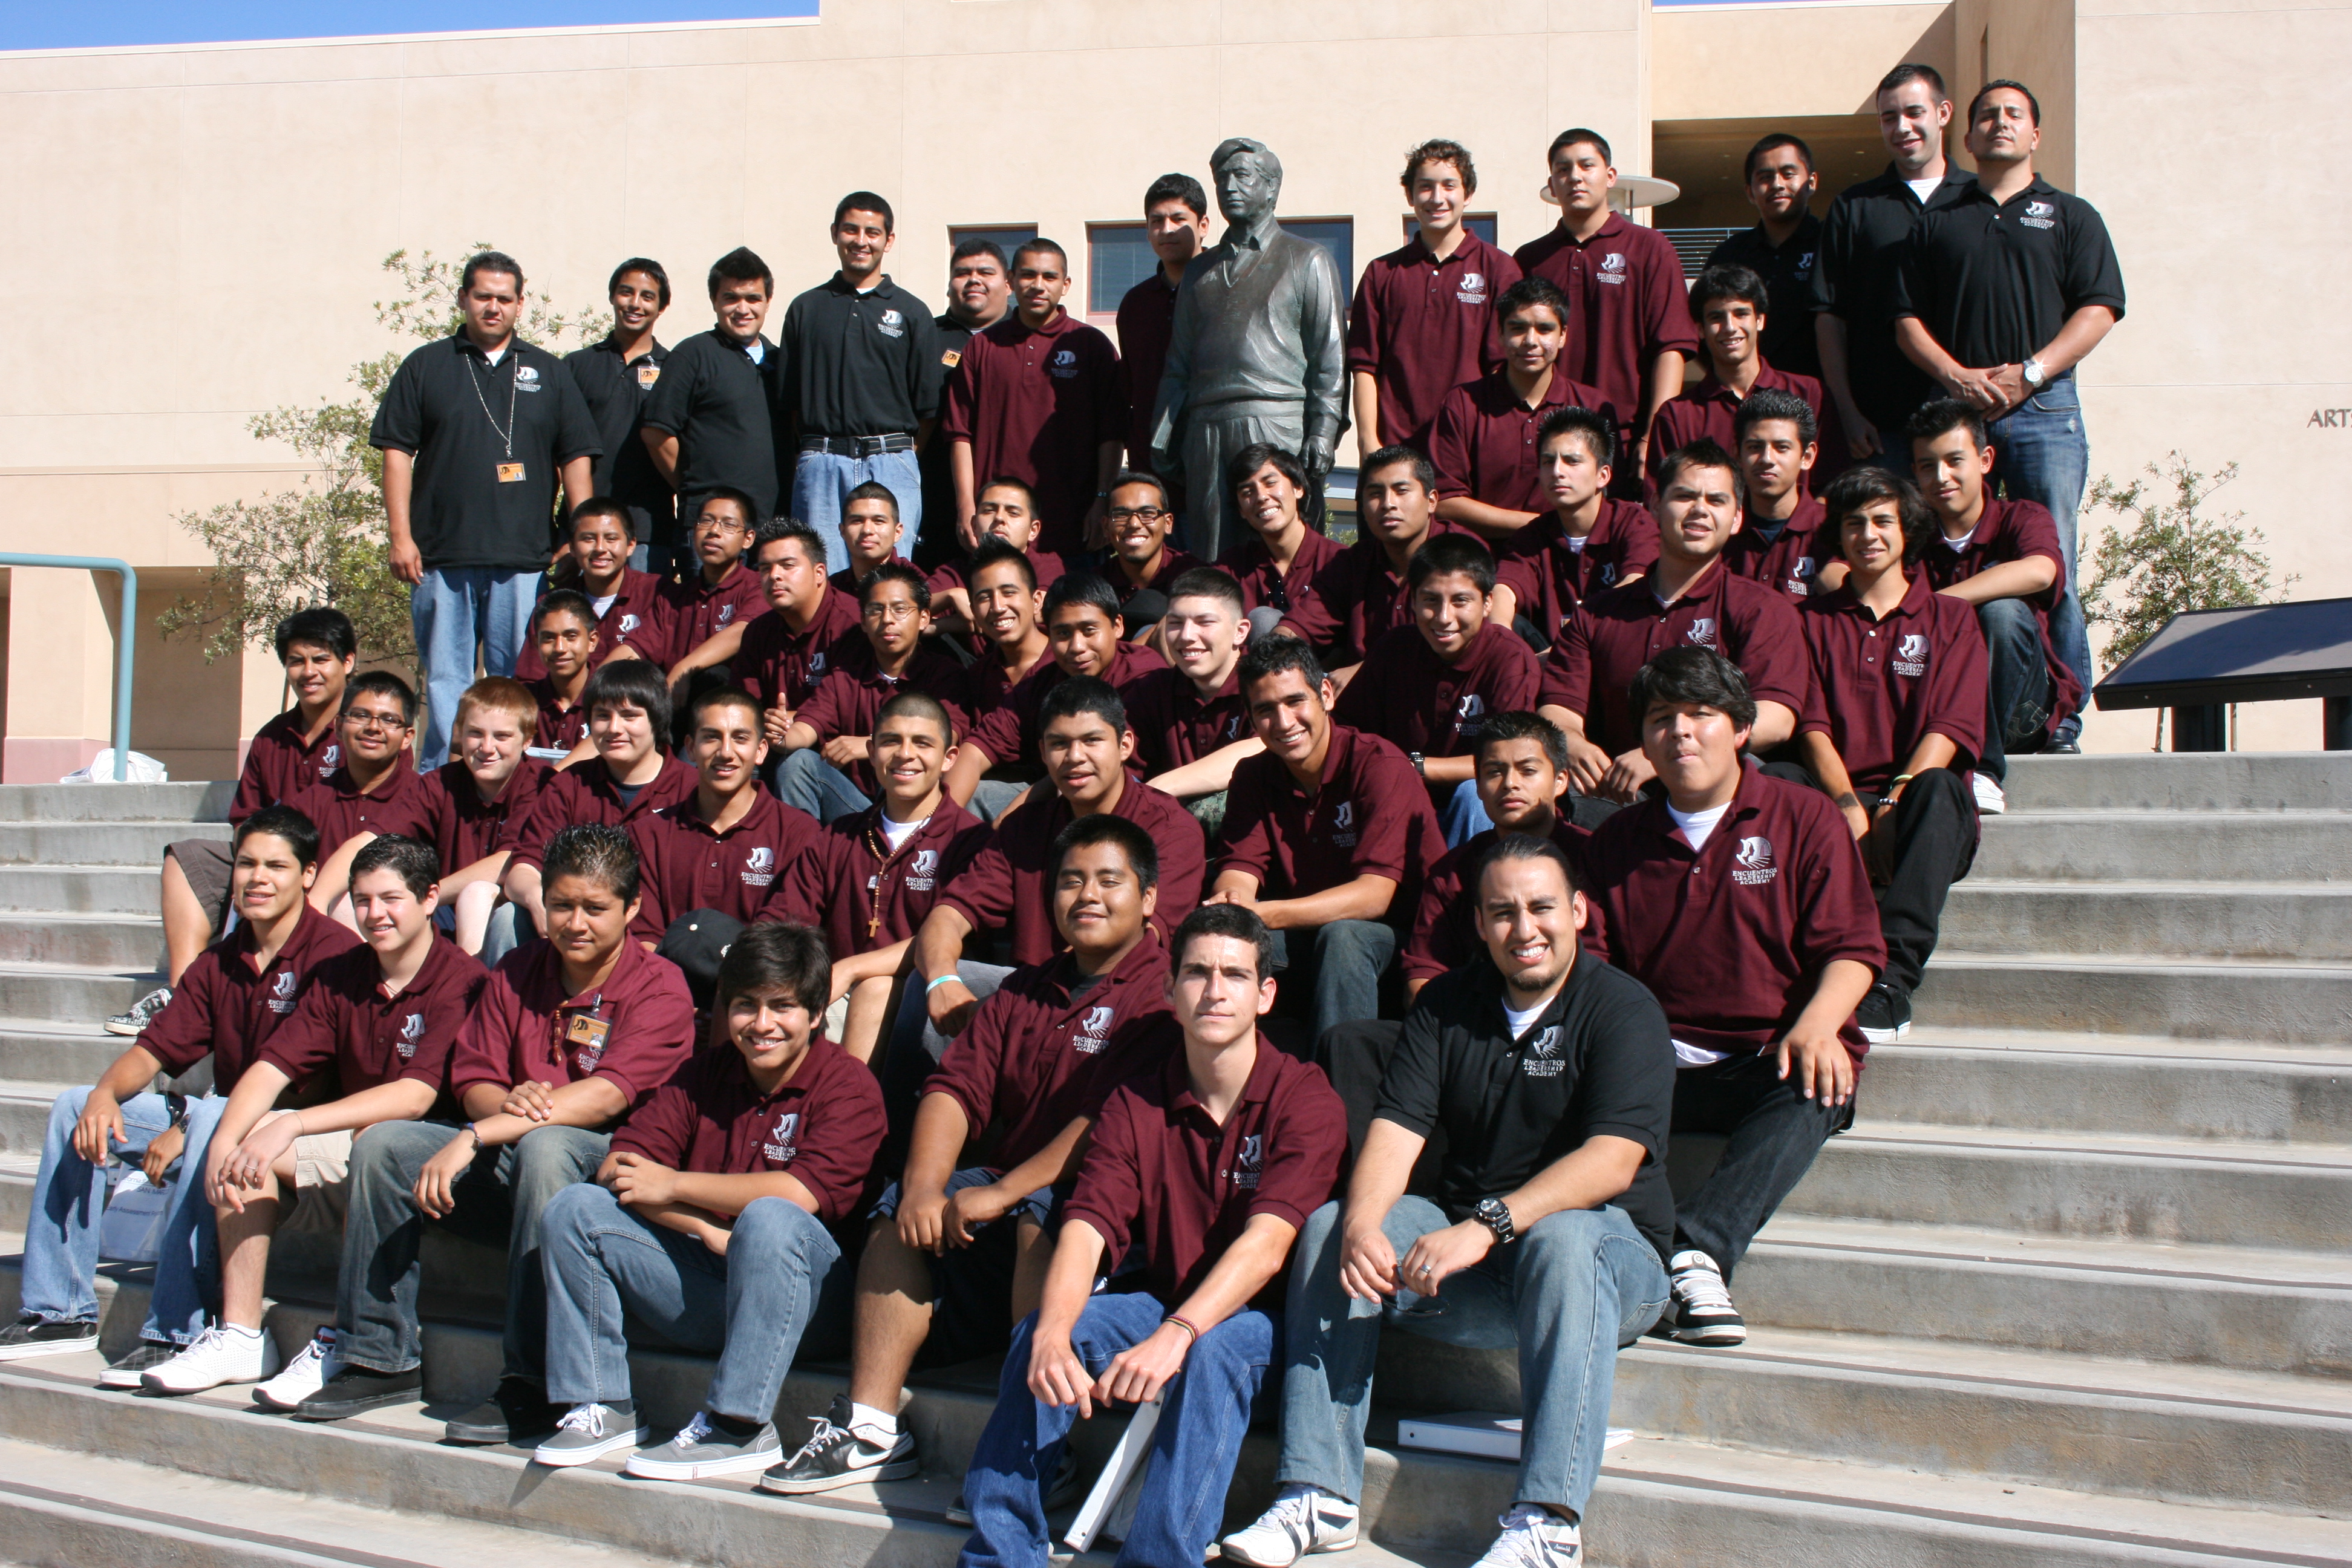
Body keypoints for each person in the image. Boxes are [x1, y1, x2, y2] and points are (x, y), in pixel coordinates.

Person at [1223, 835, 1671, 1568]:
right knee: (1333, 1226)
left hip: (1609, 1268)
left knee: (1564, 1237)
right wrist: (1364, 1225)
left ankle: (1548, 1522)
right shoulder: (1447, 1005)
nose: (1524, 928)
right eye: (1503, 912)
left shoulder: (1623, 1008)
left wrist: (1488, 1224)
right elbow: (1396, 1130)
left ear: (1579, 912)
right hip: (1481, 1269)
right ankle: (1318, 1494)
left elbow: (1612, 1160)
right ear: (1480, 924)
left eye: (1541, 907)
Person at [763, 816, 1177, 1500]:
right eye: (1071, 881)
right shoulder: (1023, 990)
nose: (1087, 895)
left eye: (1109, 881)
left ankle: (1034, 1448)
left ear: (1149, 897)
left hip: (1109, 1210)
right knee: (895, 1212)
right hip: (1005, 1192)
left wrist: (1006, 1190)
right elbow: (954, 1089)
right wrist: (925, 1187)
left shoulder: (1162, 998)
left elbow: (1105, 1122)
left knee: (1040, 1215)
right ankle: (870, 1425)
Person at [953, 902, 1345, 1568]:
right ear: (1169, 989)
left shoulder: (1304, 1097)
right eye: (1197, 973)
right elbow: (1087, 1225)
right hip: (1162, 1303)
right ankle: (999, 1553)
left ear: (1266, 995)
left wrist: (1179, 1333)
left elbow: (1267, 1245)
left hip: (1272, 1329)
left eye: (1235, 975)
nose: (1215, 991)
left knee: (1218, 1348)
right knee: (1044, 1331)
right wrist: (1051, 1332)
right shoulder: (1136, 1101)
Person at [296, 824, 696, 1432]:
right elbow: (473, 1077)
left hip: (612, 1179)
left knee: (548, 1145)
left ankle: (537, 1380)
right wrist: (504, 1101)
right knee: (383, 1144)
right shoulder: (516, 969)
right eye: (561, 906)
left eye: (595, 909)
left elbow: (606, 1098)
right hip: (516, 1157)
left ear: (632, 908)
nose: (575, 923)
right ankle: (377, 1355)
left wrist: (480, 1132)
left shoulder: (659, 984)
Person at [1583, 647, 1883, 1347]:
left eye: (1701, 714)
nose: (1680, 733)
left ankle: (1696, 1250)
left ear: (1742, 728)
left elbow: (1854, 947)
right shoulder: (1616, 841)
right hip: (1656, 1063)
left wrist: (1818, 1024)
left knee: (1822, 1081)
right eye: (1661, 718)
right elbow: (1593, 967)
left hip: (1765, 1056)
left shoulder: (1805, 818)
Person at [0, 808, 358, 1386]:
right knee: (74, 1107)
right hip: (221, 1116)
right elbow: (154, 1050)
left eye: (276, 866)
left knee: (212, 1113)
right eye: (246, 864)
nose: (258, 878)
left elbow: (294, 1079)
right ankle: (59, 1310)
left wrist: (191, 1123)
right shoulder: (222, 959)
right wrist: (104, 1094)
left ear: (309, 875)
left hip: (299, 1134)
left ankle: (180, 1329)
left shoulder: (337, 957)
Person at [526, 922, 885, 1478]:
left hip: (809, 1308)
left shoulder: (849, 1086)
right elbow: (620, 1167)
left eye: (783, 1007)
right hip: (707, 1282)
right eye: (746, 1005)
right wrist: (706, 1229)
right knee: (574, 1209)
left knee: (770, 1217)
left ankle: (739, 1427)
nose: (762, 1024)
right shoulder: (703, 1075)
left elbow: (798, 1193)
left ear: (816, 1014)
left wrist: (673, 1185)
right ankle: (603, 1405)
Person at [159, 835, 486, 1405]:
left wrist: (294, 1124)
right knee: (246, 1146)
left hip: (435, 1159)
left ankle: (342, 1335)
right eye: (362, 901)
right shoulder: (343, 973)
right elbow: (272, 1066)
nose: (375, 914)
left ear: (430, 898)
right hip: (357, 1145)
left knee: (373, 1143)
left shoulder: (462, 979)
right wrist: (224, 1140)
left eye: (391, 899)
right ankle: (240, 1336)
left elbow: (415, 1096)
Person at [1892, 79, 2123, 753]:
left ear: (2035, 133)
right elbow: (1904, 319)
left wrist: (2032, 372)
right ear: (1965, 137)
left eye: (2014, 114)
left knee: (2055, 562)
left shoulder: (2071, 215)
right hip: (1955, 416)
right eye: (1987, 115)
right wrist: (1955, 377)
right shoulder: (1938, 220)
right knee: (1934, 557)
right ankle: (1947, 716)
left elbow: (2100, 308)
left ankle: (2062, 721)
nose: (2000, 123)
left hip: (2045, 409)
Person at [372, 249, 600, 769]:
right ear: (463, 299)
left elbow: (576, 458)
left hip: (524, 559)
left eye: (504, 298)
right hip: (440, 557)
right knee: (447, 680)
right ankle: (441, 784)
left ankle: (517, 783)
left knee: (518, 681)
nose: (493, 307)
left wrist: (580, 537)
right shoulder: (426, 365)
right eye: (483, 297)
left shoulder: (549, 371)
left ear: (520, 304)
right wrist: (400, 536)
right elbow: (396, 453)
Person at [1792, 466, 1987, 1042]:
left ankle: (1890, 980)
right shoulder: (1806, 623)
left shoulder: (1953, 618)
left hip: (1917, 810)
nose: (1868, 534)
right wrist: (1849, 805)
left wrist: (1893, 801)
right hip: (1837, 803)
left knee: (1942, 789)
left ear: (1908, 531)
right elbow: (1810, 724)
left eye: (1883, 521)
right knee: (1775, 780)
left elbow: (1950, 726)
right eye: (1854, 523)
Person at [1536, 440, 1809, 811]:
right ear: (1654, 506)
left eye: (1716, 500)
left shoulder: (1763, 610)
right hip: (1614, 794)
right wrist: (1573, 743)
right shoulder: (1597, 614)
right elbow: (1559, 707)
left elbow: (1775, 718)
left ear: (1737, 519)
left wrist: (1665, 751)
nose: (1700, 509)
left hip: (1717, 794)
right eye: (1684, 496)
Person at [126, 607, 355, 1034]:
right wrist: (255, 864)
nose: (308, 672)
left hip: (334, 871)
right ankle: (185, 995)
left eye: (321, 659)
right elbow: (244, 819)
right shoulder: (271, 738)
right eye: (296, 661)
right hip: (271, 862)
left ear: (348, 662)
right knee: (187, 857)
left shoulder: (363, 731)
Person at [1211, 638, 1442, 1045]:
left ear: (1326, 695)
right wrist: (1234, 904)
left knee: (1344, 937)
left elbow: (1373, 898)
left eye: (1295, 701)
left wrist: (1262, 913)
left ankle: (1337, 1078)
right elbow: (1239, 869)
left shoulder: (1380, 766)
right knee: (1224, 939)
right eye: (1265, 710)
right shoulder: (1253, 775)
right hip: (1307, 939)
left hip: (1399, 949)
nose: (1284, 722)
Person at [762, 691, 990, 1063]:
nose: (905, 754)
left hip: (922, 1001)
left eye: (922, 743)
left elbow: (954, 938)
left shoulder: (973, 841)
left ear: (949, 758)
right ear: (871, 752)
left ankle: (852, 1101)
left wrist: (851, 970)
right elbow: (785, 922)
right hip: (832, 993)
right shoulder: (838, 836)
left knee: (876, 988)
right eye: (890, 742)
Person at [1150, 139, 1348, 562]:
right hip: (1207, 430)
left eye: (1242, 176)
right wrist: (1163, 435)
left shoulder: (1308, 259)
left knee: (1285, 554)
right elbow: (1178, 364)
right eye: (1222, 178)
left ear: (1272, 187)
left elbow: (1330, 360)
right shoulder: (1199, 272)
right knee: (1214, 558)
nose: (1229, 187)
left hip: (1278, 422)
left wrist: (1323, 432)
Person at [1906, 399, 2082, 814]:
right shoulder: (1909, 537)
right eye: (1928, 466)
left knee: (2002, 613)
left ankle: (1982, 769)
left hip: (2021, 713)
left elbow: (2040, 571)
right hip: (1938, 707)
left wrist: (1935, 604)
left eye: (1954, 461)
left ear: (1985, 460)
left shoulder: (2020, 516)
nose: (1941, 477)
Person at [1512, 131, 1697, 498]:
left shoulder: (1650, 248)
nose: (1575, 177)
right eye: (1563, 170)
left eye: (1587, 166)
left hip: (1624, 440)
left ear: (1610, 176)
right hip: (1549, 443)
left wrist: (1652, 435)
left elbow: (1671, 348)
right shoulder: (1530, 259)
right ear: (1552, 184)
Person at [1332, 534, 1542, 843]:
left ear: (1487, 603)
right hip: (1400, 796)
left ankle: (1468, 874)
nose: (1444, 618)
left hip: (1470, 807)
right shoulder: (1393, 649)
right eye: (1431, 600)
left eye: (1460, 601)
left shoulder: (1510, 657)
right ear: (1413, 601)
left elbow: (1506, 761)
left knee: (1476, 793)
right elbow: (1347, 729)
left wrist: (1414, 766)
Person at [1811, 64, 1972, 466]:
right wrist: (1847, 412)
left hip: (1972, 420)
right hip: (1882, 428)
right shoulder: (1854, 207)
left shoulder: (1979, 199)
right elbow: (1830, 317)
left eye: (1914, 112)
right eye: (1889, 117)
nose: (1902, 127)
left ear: (1944, 113)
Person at [777, 192, 942, 573]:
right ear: (835, 234)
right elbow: (791, 403)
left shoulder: (913, 312)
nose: (861, 241)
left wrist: (898, 456)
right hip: (821, 461)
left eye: (873, 232)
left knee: (892, 580)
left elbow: (927, 409)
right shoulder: (806, 308)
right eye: (851, 230)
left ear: (889, 240)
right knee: (820, 576)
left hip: (892, 460)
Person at [1400, 713, 1604, 1005]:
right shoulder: (1453, 872)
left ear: (1560, 781)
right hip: (1475, 1021)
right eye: (1495, 772)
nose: (1510, 783)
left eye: (1528, 770)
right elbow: (1425, 972)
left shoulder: (1595, 857)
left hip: (1579, 1014)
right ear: (1478, 786)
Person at [942, 238, 1126, 558]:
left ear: (1066, 285)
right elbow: (960, 433)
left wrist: (1103, 499)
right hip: (997, 523)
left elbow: (1112, 433)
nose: (1038, 286)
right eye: (1028, 275)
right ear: (1012, 281)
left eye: (1050, 277)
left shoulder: (1091, 345)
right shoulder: (983, 347)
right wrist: (966, 505)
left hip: (1074, 522)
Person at [500, 660, 699, 951]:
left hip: (663, 944)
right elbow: (524, 868)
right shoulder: (569, 785)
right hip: (575, 934)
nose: (614, 728)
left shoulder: (693, 791)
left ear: (657, 720)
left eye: (630, 716)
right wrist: (538, 900)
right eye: (603, 716)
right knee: (508, 917)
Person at [1348, 138, 1520, 455]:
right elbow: (1364, 366)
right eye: (1426, 187)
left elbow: (1504, 367)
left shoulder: (1500, 269)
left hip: (1469, 448)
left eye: (1449, 186)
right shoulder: (1381, 273)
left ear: (1468, 194)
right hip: (1395, 451)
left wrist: (1495, 442)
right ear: (1410, 195)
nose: (1437, 198)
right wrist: (1368, 441)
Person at [627, 686, 820, 947]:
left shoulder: (801, 834)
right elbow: (644, 941)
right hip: (666, 973)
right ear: (691, 748)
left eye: (740, 738)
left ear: (761, 750)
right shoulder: (647, 835)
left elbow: (783, 942)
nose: (726, 752)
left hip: (759, 972)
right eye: (712, 737)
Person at [950, 573, 1168, 802]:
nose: (1077, 647)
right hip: (1053, 791)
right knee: (980, 795)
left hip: (1130, 797)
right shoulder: (1042, 679)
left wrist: (1010, 815)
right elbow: (976, 751)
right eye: (1063, 633)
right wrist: (940, 820)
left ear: (1117, 626)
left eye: (1089, 630)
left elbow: (1094, 772)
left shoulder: (1143, 677)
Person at [779, 563, 965, 822]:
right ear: (864, 622)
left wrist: (874, 746)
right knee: (797, 762)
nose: (887, 619)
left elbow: (945, 738)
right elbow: (805, 730)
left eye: (900, 609)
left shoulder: (946, 675)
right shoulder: (846, 677)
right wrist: (781, 734)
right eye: (876, 610)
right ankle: (807, 847)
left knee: (898, 763)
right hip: (856, 808)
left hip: (915, 810)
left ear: (924, 618)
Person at [1430, 277, 1610, 538]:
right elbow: (1445, 502)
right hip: (1484, 556)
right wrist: (1542, 526)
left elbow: (1606, 500)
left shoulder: (1592, 407)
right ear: (1500, 334)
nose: (1530, 341)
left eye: (1545, 329)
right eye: (1518, 328)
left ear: (1563, 336)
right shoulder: (1463, 404)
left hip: (1568, 556)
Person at [668, 516, 865, 744]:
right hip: (765, 742)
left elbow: (849, 709)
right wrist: (764, 721)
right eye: (765, 569)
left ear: (819, 573)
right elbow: (744, 705)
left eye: (788, 565)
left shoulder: (854, 626)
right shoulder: (758, 631)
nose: (774, 576)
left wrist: (792, 720)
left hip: (835, 751)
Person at [1645, 263, 1841, 492]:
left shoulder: (1810, 394)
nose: (1730, 327)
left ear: (1760, 320)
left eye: (1741, 314)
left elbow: (1833, 489)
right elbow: (1661, 501)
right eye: (1717, 317)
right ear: (1700, 329)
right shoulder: (1677, 416)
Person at [1489, 407, 1656, 651]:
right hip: (1547, 658)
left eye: (1572, 461)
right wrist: (1503, 643)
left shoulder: (1633, 522)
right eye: (1548, 462)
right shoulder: (1531, 536)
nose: (1557, 471)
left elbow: (1636, 582)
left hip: (1616, 650)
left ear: (1603, 475)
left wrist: (1568, 645)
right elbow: (1503, 591)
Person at [641, 247, 785, 524]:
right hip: (709, 525)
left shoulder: (781, 362)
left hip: (772, 524)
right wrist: (693, 489)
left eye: (753, 298)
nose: (743, 309)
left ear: (768, 301)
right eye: (731, 298)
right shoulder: (693, 355)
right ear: (714, 301)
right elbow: (655, 433)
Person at [415, 678, 547, 955]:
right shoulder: (437, 784)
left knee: (477, 894)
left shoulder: (543, 785)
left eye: (502, 736)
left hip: (511, 920)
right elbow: (381, 839)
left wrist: (428, 897)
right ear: (459, 733)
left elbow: (509, 862)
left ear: (528, 740)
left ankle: (473, 981)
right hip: (442, 911)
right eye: (475, 733)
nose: (487, 747)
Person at [296, 671, 436, 921]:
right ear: (339, 727)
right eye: (361, 716)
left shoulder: (425, 798)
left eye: (389, 720)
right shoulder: (309, 804)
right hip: (323, 930)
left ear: (407, 737)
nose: (373, 728)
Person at [564, 258, 676, 569]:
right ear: (613, 296)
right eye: (627, 292)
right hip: (584, 529)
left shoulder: (675, 369)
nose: (635, 303)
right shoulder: (576, 366)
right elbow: (557, 449)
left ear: (662, 307)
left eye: (647, 296)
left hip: (648, 531)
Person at [1313, 445, 1468, 667]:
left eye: (1401, 491)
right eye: (1376, 494)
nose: (1388, 504)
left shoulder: (1463, 557)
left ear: (1432, 501)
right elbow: (1305, 621)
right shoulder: (1353, 563)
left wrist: (1367, 670)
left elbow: (1464, 644)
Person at [1125, 569, 1261, 814]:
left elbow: (1265, 745)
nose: (1186, 636)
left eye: (1204, 622)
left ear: (1240, 632)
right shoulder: (1152, 690)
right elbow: (1116, 760)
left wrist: (1158, 788)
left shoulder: (1265, 683)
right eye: (1175, 623)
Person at [920, 240, 1013, 569]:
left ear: (1008, 284)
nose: (974, 280)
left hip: (1010, 499)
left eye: (985, 272)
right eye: (962, 273)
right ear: (949, 285)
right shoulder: (924, 337)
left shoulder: (1025, 337)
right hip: (935, 498)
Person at [1704, 134, 1824, 379]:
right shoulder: (1729, 255)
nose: (1777, 184)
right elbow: (1704, 327)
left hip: (1821, 394)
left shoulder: (1832, 244)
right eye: (1765, 177)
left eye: (1788, 174)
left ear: (1811, 182)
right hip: (1751, 394)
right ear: (1750, 192)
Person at [946, 540, 1054, 815]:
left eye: (1009, 593)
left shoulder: (1066, 662)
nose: (997, 607)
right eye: (984, 597)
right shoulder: (977, 676)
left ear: (1036, 601)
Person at [512, 499, 668, 682]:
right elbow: (530, 678)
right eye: (588, 539)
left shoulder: (659, 595)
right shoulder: (553, 604)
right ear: (572, 547)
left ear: (631, 545)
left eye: (611, 539)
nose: (600, 548)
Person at [1117, 174, 1211, 472]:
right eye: (1157, 221)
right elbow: (1129, 389)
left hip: (1213, 456)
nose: (1167, 229)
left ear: (1203, 226)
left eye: (1178, 219)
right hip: (1150, 465)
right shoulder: (1136, 304)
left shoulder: (1229, 289)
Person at [1218, 444, 1345, 652]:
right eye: (1248, 492)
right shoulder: (1232, 568)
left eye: (1270, 483)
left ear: (1298, 488)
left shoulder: (1339, 562)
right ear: (1240, 510)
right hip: (1249, 669)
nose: (1261, 497)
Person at [1724, 388, 1841, 603]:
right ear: (1737, 454)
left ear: (1807, 457)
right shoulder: (1718, 527)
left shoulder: (1835, 529)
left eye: (1782, 447)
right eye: (1755, 447)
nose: (1767, 459)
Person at [924, 477, 1073, 638]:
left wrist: (944, 625)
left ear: (1033, 530)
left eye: (1013, 513)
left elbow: (1050, 610)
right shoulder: (957, 572)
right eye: (989, 511)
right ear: (974, 525)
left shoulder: (1047, 565)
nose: (999, 518)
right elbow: (908, 613)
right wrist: (949, 596)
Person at [654, 488, 770, 681]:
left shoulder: (759, 587)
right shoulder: (674, 596)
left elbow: (742, 631)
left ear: (748, 539)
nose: (714, 531)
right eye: (706, 521)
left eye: (728, 524)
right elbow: (638, 645)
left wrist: (683, 669)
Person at [1101, 469, 1199, 632]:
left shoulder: (1194, 577)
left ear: (1168, 523)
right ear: (1106, 526)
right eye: (1122, 514)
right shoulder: (1094, 586)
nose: (1134, 524)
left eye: (1147, 513)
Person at [520, 591, 601, 761]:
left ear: (592, 641)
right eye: (549, 638)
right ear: (536, 643)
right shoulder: (522, 701)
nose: (560, 648)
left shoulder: (612, 699)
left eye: (571, 637)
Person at [829, 480, 908, 596]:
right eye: (857, 521)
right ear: (843, 531)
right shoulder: (830, 590)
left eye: (878, 521)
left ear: (898, 532)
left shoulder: (918, 587)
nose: (867, 530)